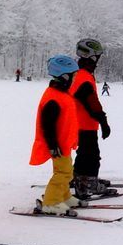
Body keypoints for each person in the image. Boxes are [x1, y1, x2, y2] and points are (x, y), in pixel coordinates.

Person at [30, 55, 81, 216]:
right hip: (58, 145)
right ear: (65, 77)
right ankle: (51, 202)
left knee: (67, 172)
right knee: (63, 173)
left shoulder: (62, 94)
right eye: (73, 76)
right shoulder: (53, 98)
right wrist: (53, 145)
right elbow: (47, 125)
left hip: (64, 143)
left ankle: (64, 196)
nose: (75, 79)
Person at [70, 39, 115, 199]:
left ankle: (80, 178)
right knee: (91, 155)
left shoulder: (79, 74)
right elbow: (91, 102)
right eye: (97, 57)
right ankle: (88, 183)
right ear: (91, 57)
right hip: (85, 124)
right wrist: (103, 121)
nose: (98, 61)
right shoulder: (84, 77)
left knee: (84, 153)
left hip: (80, 122)